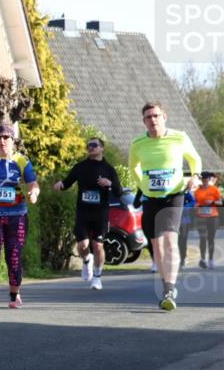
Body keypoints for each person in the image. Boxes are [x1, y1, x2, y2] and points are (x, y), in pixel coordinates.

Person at [127, 101, 201, 310]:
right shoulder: (138, 143)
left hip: (174, 195)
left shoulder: (179, 137)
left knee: (170, 241)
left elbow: (195, 159)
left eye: (156, 116)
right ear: (144, 121)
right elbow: (133, 166)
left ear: (164, 117)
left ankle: (169, 289)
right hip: (151, 198)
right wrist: (142, 184)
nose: (153, 120)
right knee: (157, 246)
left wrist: (194, 177)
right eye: (148, 117)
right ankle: (165, 282)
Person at [0, 124, 40, 308]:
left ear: (13, 141)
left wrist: (34, 193)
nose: (2, 141)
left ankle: (14, 295)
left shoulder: (22, 160)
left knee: (14, 255)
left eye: (6, 137)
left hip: (17, 214)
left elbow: (33, 183)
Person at [54, 137, 123, 290]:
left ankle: (97, 277)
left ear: (102, 148)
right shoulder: (80, 167)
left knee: (98, 245)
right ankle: (86, 260)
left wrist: (110, 183)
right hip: (83, 212)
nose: (90, 147)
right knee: (83, 245)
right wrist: (60, 184)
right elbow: (67, 182)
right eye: (88, 145)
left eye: (94, 145)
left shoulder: (109, 169)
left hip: (101, 213)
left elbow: (119, 192)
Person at [194, 171, 222, 269]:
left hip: (213, 217)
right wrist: (196, 205)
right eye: (203, 179)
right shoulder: (197, 191)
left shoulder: (214, 189)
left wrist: (212, 202)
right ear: (201, 180)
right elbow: (194, 204)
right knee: (202, 238)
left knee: (211, 239)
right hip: (201, 217)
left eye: (206, 179)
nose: (204, 181)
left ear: (209, 180)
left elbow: (220, 202)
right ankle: (202, 259)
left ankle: (211, 259)